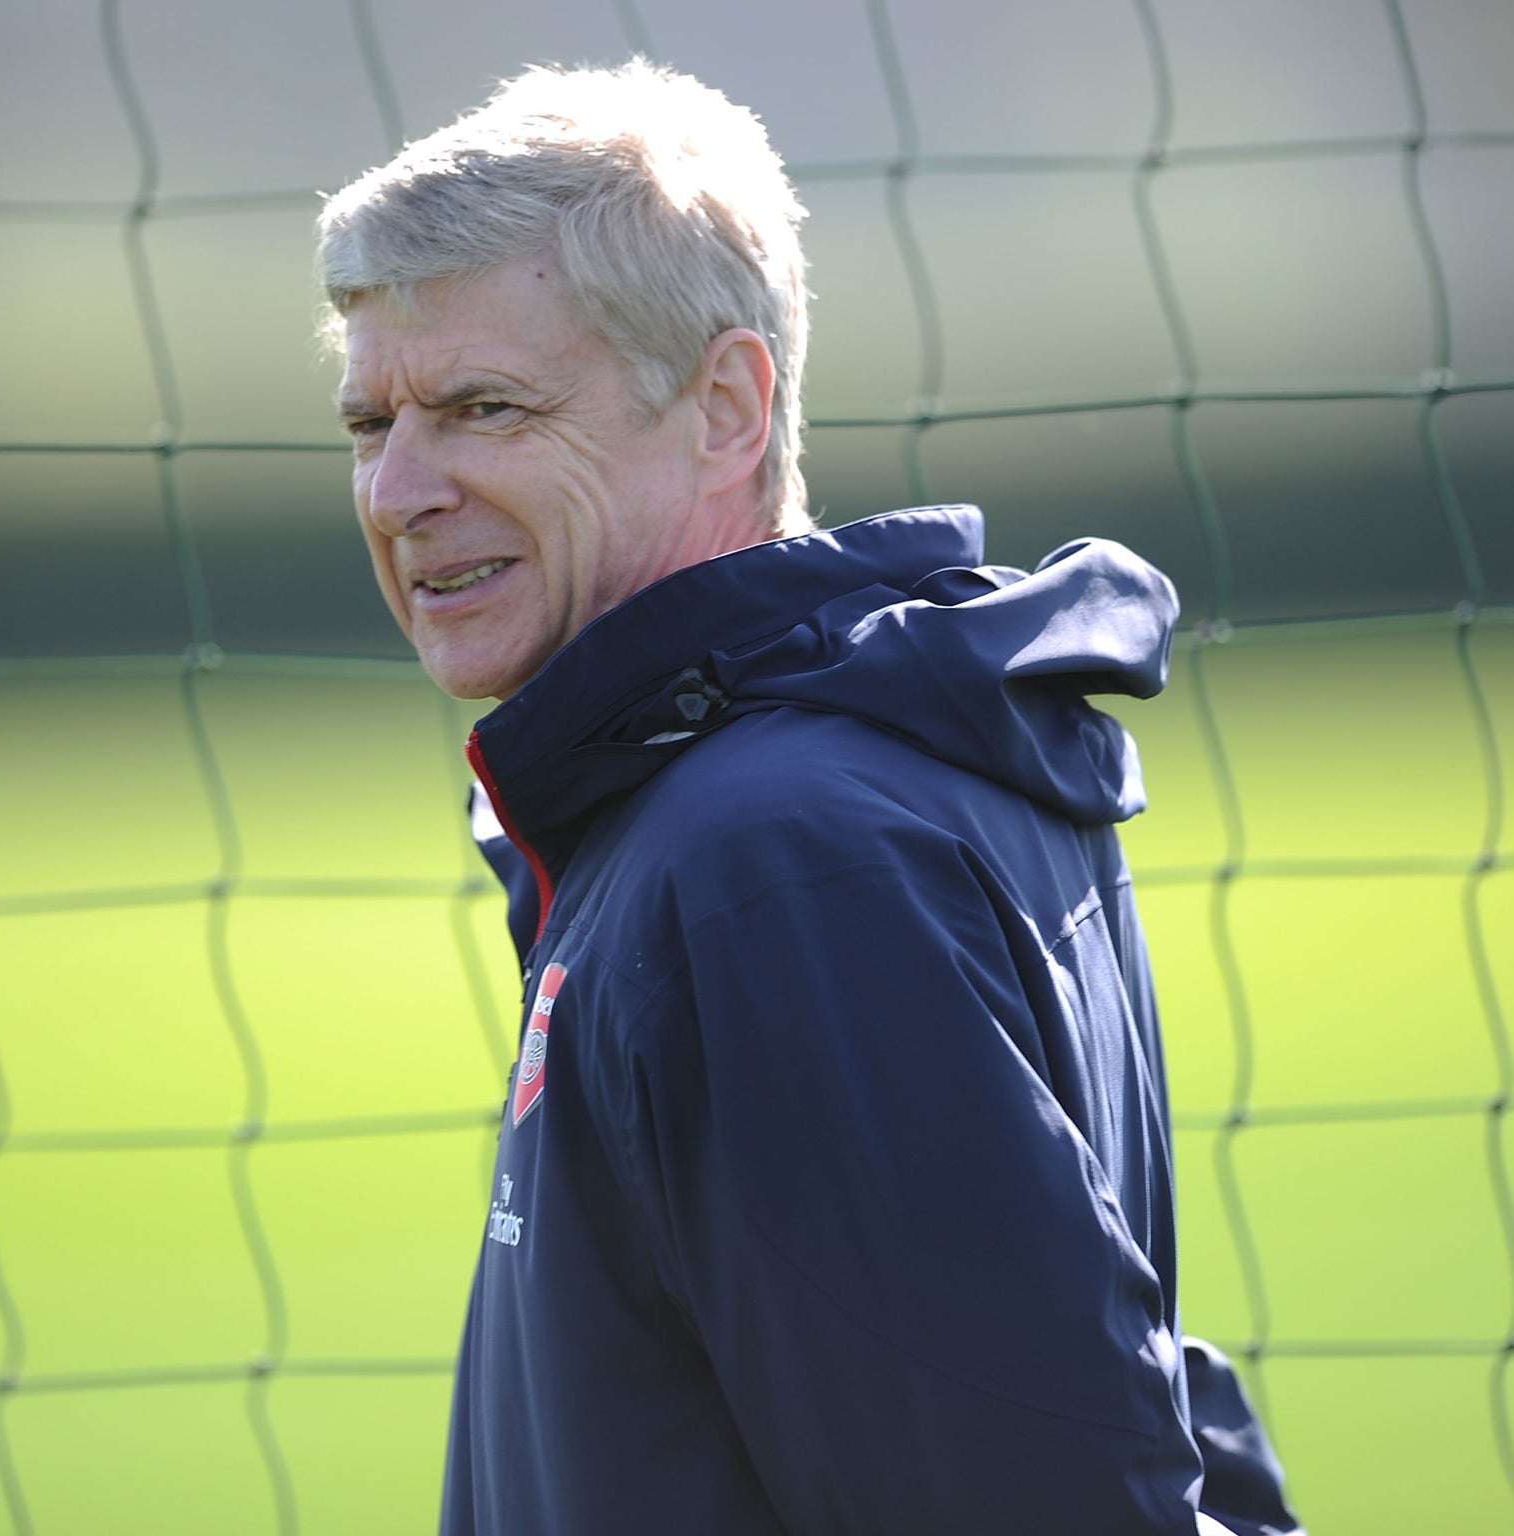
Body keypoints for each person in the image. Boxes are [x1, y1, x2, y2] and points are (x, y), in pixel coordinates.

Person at [316, 60, 1302, 1536]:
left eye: (481, 407)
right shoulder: (831, 769)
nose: (399, 490)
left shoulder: (772, 862)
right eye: (367, 426)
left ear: (725, 406)